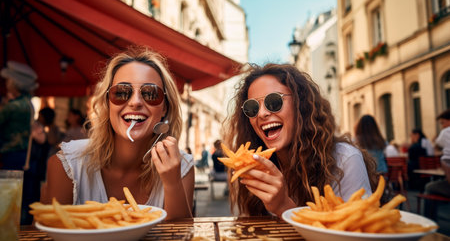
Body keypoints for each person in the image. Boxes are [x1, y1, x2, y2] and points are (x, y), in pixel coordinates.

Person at [41, 46, 194, 220]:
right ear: (107, 103)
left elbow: (181, 236)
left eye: (150, 94)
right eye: (121, 93)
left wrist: (172, 183)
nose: (135, 102)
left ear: (165, 107)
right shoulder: (69, 165)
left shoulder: (181, 167)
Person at [223, 64, 377, 217]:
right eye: (252, 107)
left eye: (274, 101)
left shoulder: (344, 159)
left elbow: (355, 233)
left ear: (300, 105)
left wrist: (283, 206)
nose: (262, 113)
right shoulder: (253, 167)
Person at [0, 61, 38, 170]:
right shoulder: (29, 103)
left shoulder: (13, 106)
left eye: (8, 80)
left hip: (12, 154)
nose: (6, 83)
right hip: (25, 155)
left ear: (14, 82)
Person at [424, 109, 450, 219]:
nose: (442, 126)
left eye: (443, 122)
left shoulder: (446, 132)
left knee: (429, 187)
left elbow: (437, 145)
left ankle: (430, 225)